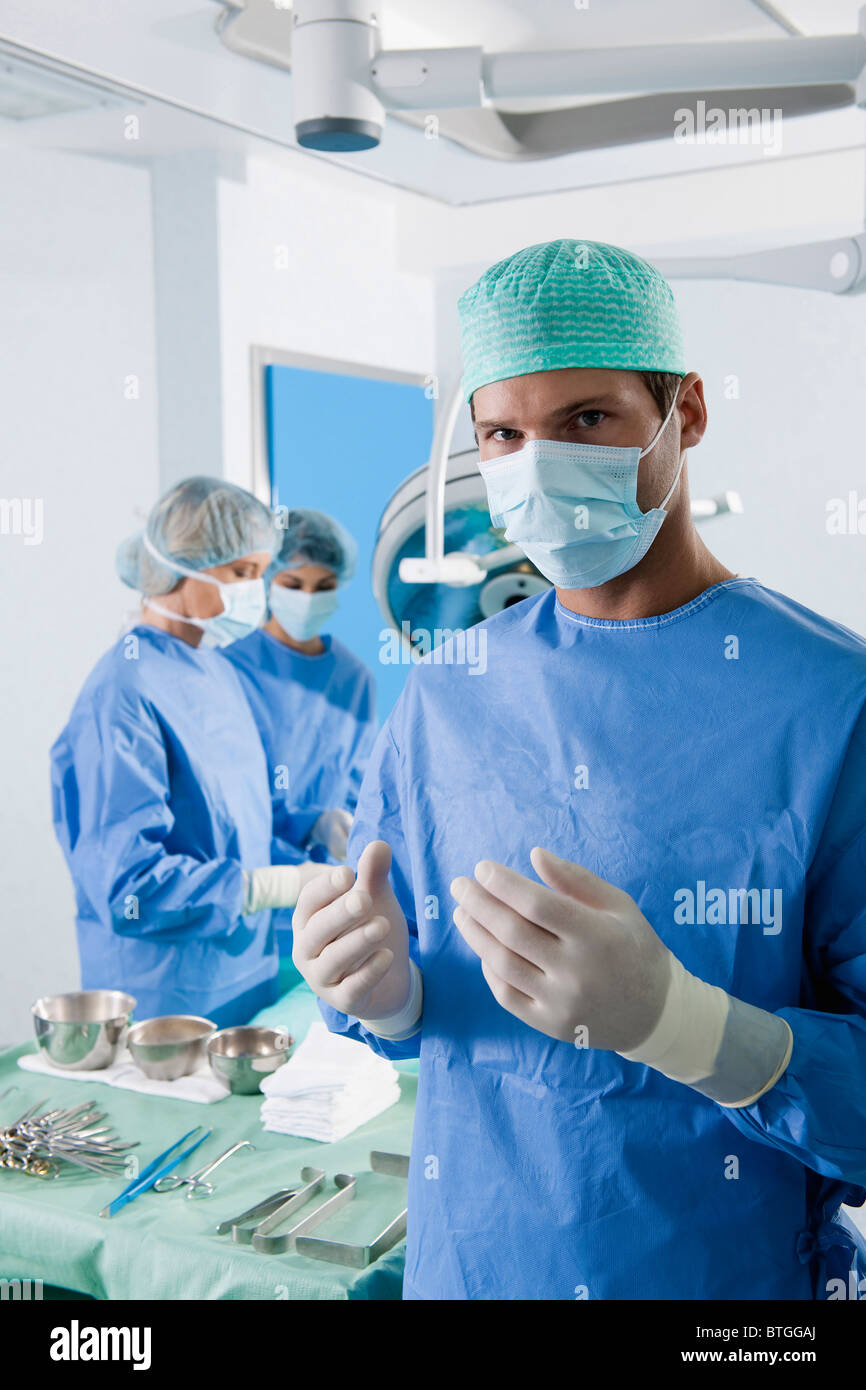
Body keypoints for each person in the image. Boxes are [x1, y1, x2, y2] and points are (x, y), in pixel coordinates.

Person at [292, 239, 866, 1300]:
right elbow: (425, 996)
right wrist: (385, 996)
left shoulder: (832, 703)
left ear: (684, 414)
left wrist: (683, 1025)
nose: (536, 466)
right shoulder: (447, 689)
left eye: (586, 423)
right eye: (502, 433)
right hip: (473, 1267)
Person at [51, 476, 321, 1027]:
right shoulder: (122, 693)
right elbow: (127, 886)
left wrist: (313, 839)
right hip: (162, 1002)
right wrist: (270, 886)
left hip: (245, 976)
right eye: (241, 573)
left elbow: (228, 827)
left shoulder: (217, 671)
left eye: (260, 573)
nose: (256, 591)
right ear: (181, 566)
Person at [223, 508, 377, 955]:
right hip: (247, 893)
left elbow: (361, 786)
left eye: (323, 587)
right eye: (293, 585)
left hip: (326, 902)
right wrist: (299, 835)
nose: (308, 598)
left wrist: (339, 827)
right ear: (268, 580)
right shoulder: (228, 669)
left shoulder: (354, 679)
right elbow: (224, 802)